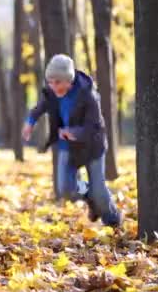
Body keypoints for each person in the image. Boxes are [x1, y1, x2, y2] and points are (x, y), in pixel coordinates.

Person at [22, 54, 121, 227]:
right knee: (66, 190)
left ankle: (113, 220)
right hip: (67, 147)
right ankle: (93, 198)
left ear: (69, 80)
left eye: (57, 82)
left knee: (100, 192)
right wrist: (30, 123)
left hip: (92, 147)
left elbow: (93, 127)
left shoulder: (88, 95)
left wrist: (73, 132)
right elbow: (39, 108)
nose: (53, 86)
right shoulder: (52, 93)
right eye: (50, 81)